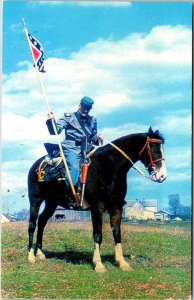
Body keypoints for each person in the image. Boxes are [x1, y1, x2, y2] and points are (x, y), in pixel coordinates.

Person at [46, 96, 103, 188]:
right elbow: (55, 131)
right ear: (79, 106)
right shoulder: (69, 117)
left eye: (88, 108)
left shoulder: (92, 120)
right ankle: (71, 194)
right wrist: (51, 121)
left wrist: (98, 139)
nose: (86, 110)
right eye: (84, 107)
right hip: (71, 148)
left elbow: (93, 139)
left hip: (87, 148)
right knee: (74, 168)